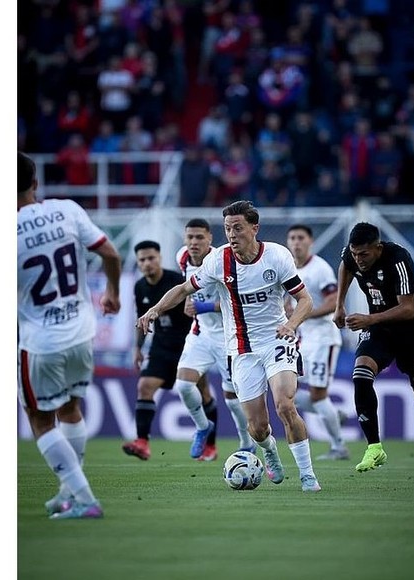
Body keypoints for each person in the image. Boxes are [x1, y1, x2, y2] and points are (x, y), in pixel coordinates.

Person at [137, 201, 322, 492]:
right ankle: (270, 452)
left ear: (254, 228)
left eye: (237, 228)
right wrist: (155, 310)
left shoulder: (276, 255)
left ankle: (308, 475)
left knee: (285, 405)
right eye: (227, 229)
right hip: (241, 350)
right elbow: (184, 289)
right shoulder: (218, 261)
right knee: (258, 428)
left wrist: (291, 325)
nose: (232, 234)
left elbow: (306, 300)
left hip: (277, 340)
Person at [17, 151, 122, 519]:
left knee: (40, 419)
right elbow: (109, 252)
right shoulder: (67, 210)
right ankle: (67, 492)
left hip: (40, 340)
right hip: (82, 330)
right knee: (70, 408)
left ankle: (85, 499)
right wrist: (112, 292)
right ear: (36, 183)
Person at [333, 222, 414, 473]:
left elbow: (408, 309)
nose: (359, 260)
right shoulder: (352, 255)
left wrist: (368, 319)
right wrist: (339, 305)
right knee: (361, 375)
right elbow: (345, 265)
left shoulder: (398, 259)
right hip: (380, 330)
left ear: (378, 248)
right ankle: (374, 448)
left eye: (364, 254)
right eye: (355, 253)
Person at [175, 218, 257, 461]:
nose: (194, 242)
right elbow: (187, 290)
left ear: (210, 238)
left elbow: (237, 301)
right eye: (190, 237)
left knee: (232, 399)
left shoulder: (222, 260)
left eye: (199, 237)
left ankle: (246, 442)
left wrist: (204, 306)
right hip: (201, 334)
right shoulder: (181, 258)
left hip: (229, 338)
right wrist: (189, 306)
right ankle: (203, 427)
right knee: (183, 385)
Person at [122, 240, 193, 460]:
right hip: (161, 346)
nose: (147, 263)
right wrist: (137, 347)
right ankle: (142, 442)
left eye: (151, 258)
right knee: (144, 386)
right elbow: (142, 318)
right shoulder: (139, 286)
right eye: (142, 260)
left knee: (201, 392)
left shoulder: (176, 281)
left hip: (188, 345)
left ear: (160, 257)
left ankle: (209, 441)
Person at [285, 224, 350, 460]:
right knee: (284, 390)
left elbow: (333, 302)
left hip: (323, 339)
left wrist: (301, 314)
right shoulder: (288, 268)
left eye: (301, 237)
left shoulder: (320, 268)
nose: (296, 242)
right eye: (292, 238)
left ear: (310, 241)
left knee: (318, 394)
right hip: (302, 340)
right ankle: (332, 413)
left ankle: (339, 447)